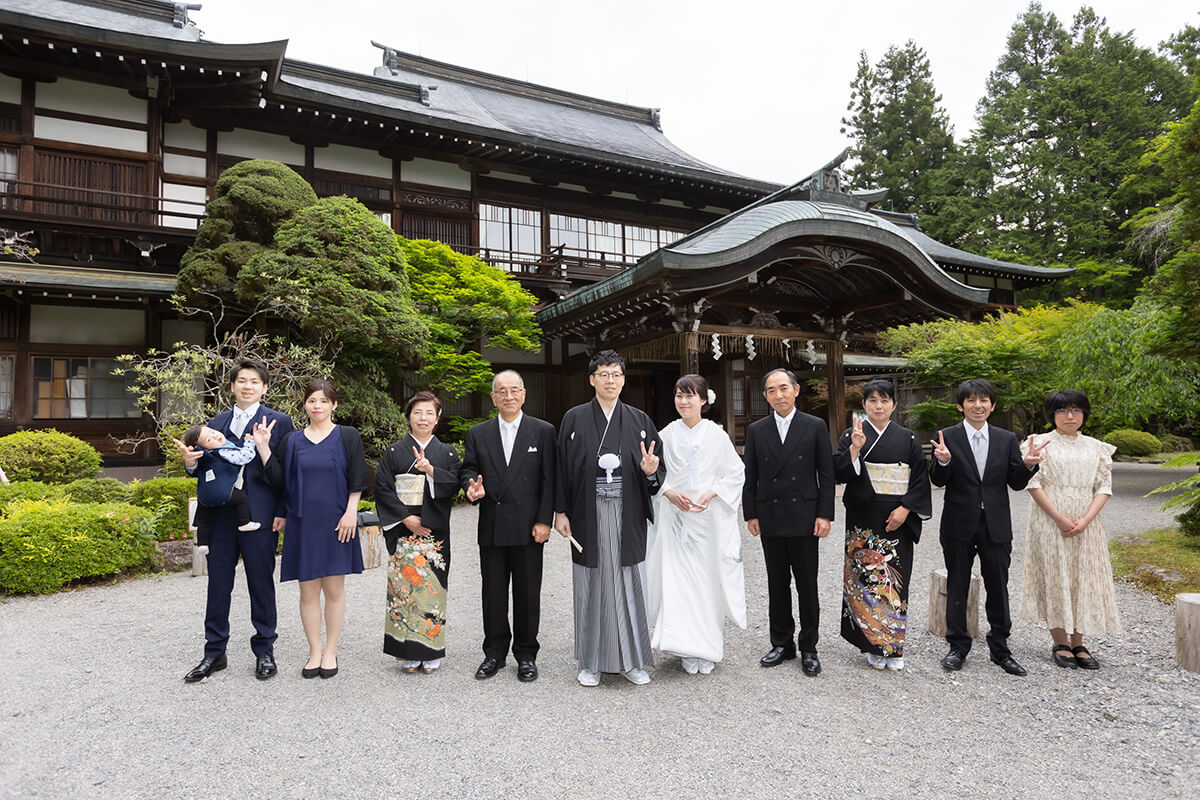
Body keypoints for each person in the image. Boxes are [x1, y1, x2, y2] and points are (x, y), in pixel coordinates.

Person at [176, 360, 293, 683]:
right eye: (242, 380)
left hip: (260, 514)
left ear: (264, 387)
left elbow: (287, 472)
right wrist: (189, 464)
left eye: (254, 381)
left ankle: (265, 649)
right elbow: (203, 469)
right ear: (232, 386)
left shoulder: (280, 422)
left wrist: (282, 510)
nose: (247, 386)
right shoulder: (216, 422)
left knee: (260, 581)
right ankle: (214, 651)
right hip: (220, 516)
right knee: (218, 582)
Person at [554, 349, 665, 687]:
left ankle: (633, 661)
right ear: (592, 379)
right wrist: (561, 511)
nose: (610, 380)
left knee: (630, 582)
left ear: (623, 379)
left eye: (616, 374)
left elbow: (656, 469)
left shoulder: (639, 420)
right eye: (603, 374)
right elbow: (561, 468)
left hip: (626, 512)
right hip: (587, 513)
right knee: (591, 584)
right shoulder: (574, 419)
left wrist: (650, 471)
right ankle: (591, 662)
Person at [931, 378, 1047, 676]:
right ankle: (957, 646)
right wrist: (942, 462)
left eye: (984, 400)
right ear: (961, 406)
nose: (978, 405)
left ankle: (1000, 648)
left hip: (996, 524)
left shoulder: (1005, 439)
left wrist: (1028, 465)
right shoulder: (947, 437)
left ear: (992, 406)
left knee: (998, 585)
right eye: (971, 400)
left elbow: (1016, 483)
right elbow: (938, 480)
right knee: (957, 583)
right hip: (958, 523)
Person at [255, 379, 368, 679]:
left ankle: (330, 650)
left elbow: (358, 476)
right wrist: (263, 447)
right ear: (304, 405)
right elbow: (280, 481)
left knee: (334, 589)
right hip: (302, 523)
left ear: (334, 405)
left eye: (323, 401)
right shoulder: (292, 440)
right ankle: (314, 651)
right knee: (307, 591)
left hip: (337, 522)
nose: (317, 406)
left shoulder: (347, 435)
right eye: (312, 400)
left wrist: (351, 513)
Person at [645, 374, 746, 675]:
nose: (684, 401)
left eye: (690, 396)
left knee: (706, 583)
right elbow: (655, 473)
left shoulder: (716, 435)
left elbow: (735, 472)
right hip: (676, 519)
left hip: (707, 519)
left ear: (703, 400)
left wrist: (712, 492)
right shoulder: (666, 434)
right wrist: (667, 491)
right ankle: (684, 647)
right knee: (677, 583)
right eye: (679, 395)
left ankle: (707, 647)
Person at [461, 370, 557, 683]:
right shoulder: (479, 433)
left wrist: (544, 520)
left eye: (514, 390)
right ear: (493, 398)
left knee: (528, 594)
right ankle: (494, 653)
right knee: (493, 593)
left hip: (529, 527)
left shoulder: (542, 431)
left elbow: (549, 479)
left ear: (524, 394)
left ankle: (526, 654)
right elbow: (469, 469)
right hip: (493, 523)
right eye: (502, 391)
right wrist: (471, 488)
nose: (509, 396)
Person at [833, 378, 931, 672]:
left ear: (894, 405)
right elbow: (839, 473)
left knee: (894, 582)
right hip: (863, 518)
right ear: (864, 405)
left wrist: (906, 508)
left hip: (896, 519)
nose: (878, 406)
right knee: (864, 581)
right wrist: (854, 450)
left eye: (884, 401)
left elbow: (919, 477)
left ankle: (893, 647)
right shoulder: (852, 434)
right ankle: (871, 646)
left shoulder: (908, 438)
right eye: (872, 401)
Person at [742, 368, 835, 676]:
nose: (778, 395)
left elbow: (826, 474)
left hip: (805, 517)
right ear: (765, 396)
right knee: (777, 583)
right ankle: (782, 643)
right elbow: (750, 475)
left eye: (783, 388)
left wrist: (824, 514)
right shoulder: (757, 430)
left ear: (795, 390)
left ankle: (809, 646)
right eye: (771, 390)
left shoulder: (814, 425)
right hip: (770, 515)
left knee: (807, 585)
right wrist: (751, 513)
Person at [1019, 389, 1120, 670]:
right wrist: (1059, 517)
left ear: (1084, 413)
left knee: (1081, 576)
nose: (1070, 416)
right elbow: (1033, 484)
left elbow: (1104, 487)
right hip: (1049, 519)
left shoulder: (1096, 447)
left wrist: (1086, 519)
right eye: (1062, 410)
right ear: (1053, 414)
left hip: (1087, 522)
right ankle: (1060, 641)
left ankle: (1079, 641)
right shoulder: (1039, 443)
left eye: (1076, 410)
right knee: (1055, 574)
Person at [375, 391, 463, 674]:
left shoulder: (447, 453)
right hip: (404, 530)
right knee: (404, 590)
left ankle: (431, 649)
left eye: (429, 413)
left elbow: (455, 485)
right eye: (417, 412)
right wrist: (406, 517)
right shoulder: (393, 452)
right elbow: (383, 488)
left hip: (433, 532)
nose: (423, 418)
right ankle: (407, 652)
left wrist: (432, 470)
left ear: (437, 419)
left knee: (432, 590)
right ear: (409, 417)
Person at [181, 424, 262, 556]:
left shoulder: (209, 453)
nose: (215, 436)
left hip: (204, 495)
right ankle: (244, 523)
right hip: (224, 492)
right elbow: (243, 457)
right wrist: (249, 443)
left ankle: (203, 544)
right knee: (241, 499)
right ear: (204, 448)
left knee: (204, 520)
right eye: (209, 440)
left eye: (213, 432)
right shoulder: (223, 452)